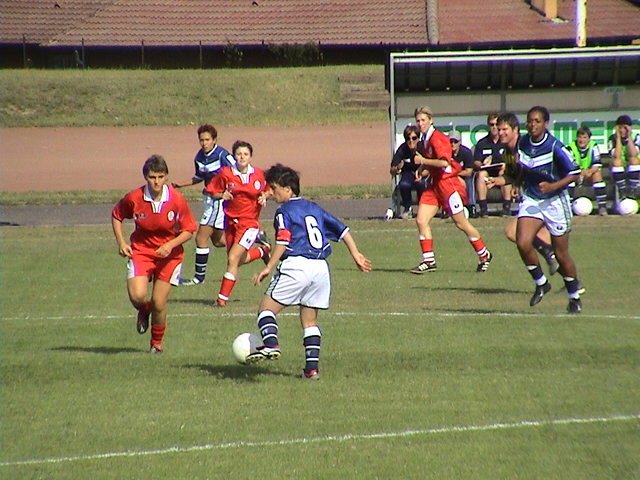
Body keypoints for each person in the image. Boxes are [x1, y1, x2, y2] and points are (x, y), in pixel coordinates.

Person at [246, 164, 372, 380]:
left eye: (274, 188)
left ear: (288, 189)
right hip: (320, 269)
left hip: (296, 266)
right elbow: (343, 230)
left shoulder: (284, 212)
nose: (271, 193)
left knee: (266, 310)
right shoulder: (314, 208)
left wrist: (268, 266)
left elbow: (283, 241)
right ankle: (311, 370)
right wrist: (356, 254)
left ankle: (271, 344)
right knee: (310, 321)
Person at [111, 155, 197, 353]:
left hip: (170, 256)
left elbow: (189, 230)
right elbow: (116, 215)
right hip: (142, 251)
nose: (156, 182)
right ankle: (143, 309)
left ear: (166, 176)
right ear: (145, 177)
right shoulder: (134, 198)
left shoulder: (176, 199)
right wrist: (121, 242)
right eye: (152, 177)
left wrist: (170, 245)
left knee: (159, 302)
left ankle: (156, 344)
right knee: (137, 296)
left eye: (160, 177)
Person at [515, 106, 583, 313]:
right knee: (522, 242)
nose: (532, 125)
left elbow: (575, 173)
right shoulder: (523, 142)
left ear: (545, 123)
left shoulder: (555, 146)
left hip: (555, 201)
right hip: (532, 198)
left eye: (537, 121)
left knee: (561, 254)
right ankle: (541, 283)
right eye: (530, 121)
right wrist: (515, 183)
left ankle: (574, 297)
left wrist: (553, 186)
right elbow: (523, 168)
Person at [410, 106, 492, 274]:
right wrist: (421, 170)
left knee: (461, 223)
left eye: (423, 120)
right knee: (421, 220)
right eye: (418, 121)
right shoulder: (425, 139)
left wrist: (423, 161)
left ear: (431, 120)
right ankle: (429, 261)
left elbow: (444, 162)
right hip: (435, 185)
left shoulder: (437, 138)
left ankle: (484, 254)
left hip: (448, 186)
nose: (420, 123)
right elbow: (431, 162)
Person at [204, 140, 271, 307]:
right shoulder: (225, 173)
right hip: (230, 223)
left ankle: (221, 300)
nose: (242, 157)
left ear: (251, 156)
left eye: (245, 154)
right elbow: (211, 191)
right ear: (234, 156)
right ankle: (263, 251)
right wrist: (221, 195)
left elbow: (270, 189)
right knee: (237, 260)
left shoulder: (258, 174)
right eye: (239, 154)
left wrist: (264, 196)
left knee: (233, 258)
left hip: (249, 224)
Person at [171, 124, 236, 286]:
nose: (204, 143)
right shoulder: (199, 157)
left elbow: (237, 172)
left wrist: (227, 193)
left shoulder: (222, 155)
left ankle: (198, 278)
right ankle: (257, 241)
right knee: (219, 241)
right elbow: (199, 177)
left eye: (207, 139)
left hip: (218, 201)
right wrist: (181, 184)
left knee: (200, 237)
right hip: (209, 200)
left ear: (214, 140)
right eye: (202, 140)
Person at [473, 112, 511, 217]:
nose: (494, 127)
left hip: (501, 171)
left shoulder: (506, 142)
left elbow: (513, 159)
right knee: (481, 174)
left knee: (505, 172)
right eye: (491, 124)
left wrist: (506, 164)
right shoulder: (482, 143)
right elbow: (476, 162)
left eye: (496, 124)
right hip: (487, 172)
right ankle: (483, 209)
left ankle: (506, 208)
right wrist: (482, 163)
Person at [566, 126, 608, 216]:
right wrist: (579, 172)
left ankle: (602, 206)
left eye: (584, 137)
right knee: (569, 177)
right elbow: (569, 165)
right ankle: (568, 208)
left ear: (589, 139)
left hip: (588, 174)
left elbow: (597, 164)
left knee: (597, 174)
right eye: (580, 137)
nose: (582, 140)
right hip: (575, 175)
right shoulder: (570, 147)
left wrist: (588, 172)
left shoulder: (593, 146)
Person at [389, 124, 427, 219]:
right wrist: (398, 168)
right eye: (408, 138)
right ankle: (407, 208)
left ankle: (422, 208)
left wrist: (422, 173)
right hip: (408, 173)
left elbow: (431, 165)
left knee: (421, 184)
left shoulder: (423, 147)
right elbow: (392, 169)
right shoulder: (402, 149)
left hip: (422, 173)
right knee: (404, 184)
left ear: (418, 138)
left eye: (414, 138)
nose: (411, 141)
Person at [608, 114, 640, 203]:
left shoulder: (636, 137)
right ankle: (622, 191)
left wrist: (628, 137)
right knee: (616, 162)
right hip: (619, 169)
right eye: (620, 128)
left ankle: (633, 191)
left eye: (625, 128)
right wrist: (618, 139)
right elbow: (616, 156)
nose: (622, 130)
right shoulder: (612, 139)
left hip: (634, 168)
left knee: (634, 160)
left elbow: (634, 154)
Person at [449, 129, 476, 217]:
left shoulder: (466, 152)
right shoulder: (445, 153)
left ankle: (471, 206)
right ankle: (446, 207)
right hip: (450, 176)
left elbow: (469, 172)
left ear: (460, 142)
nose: (453, 144)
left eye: (455, 141)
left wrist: (457, 175)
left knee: (469, 180)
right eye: (451, 141)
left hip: (464, 176)